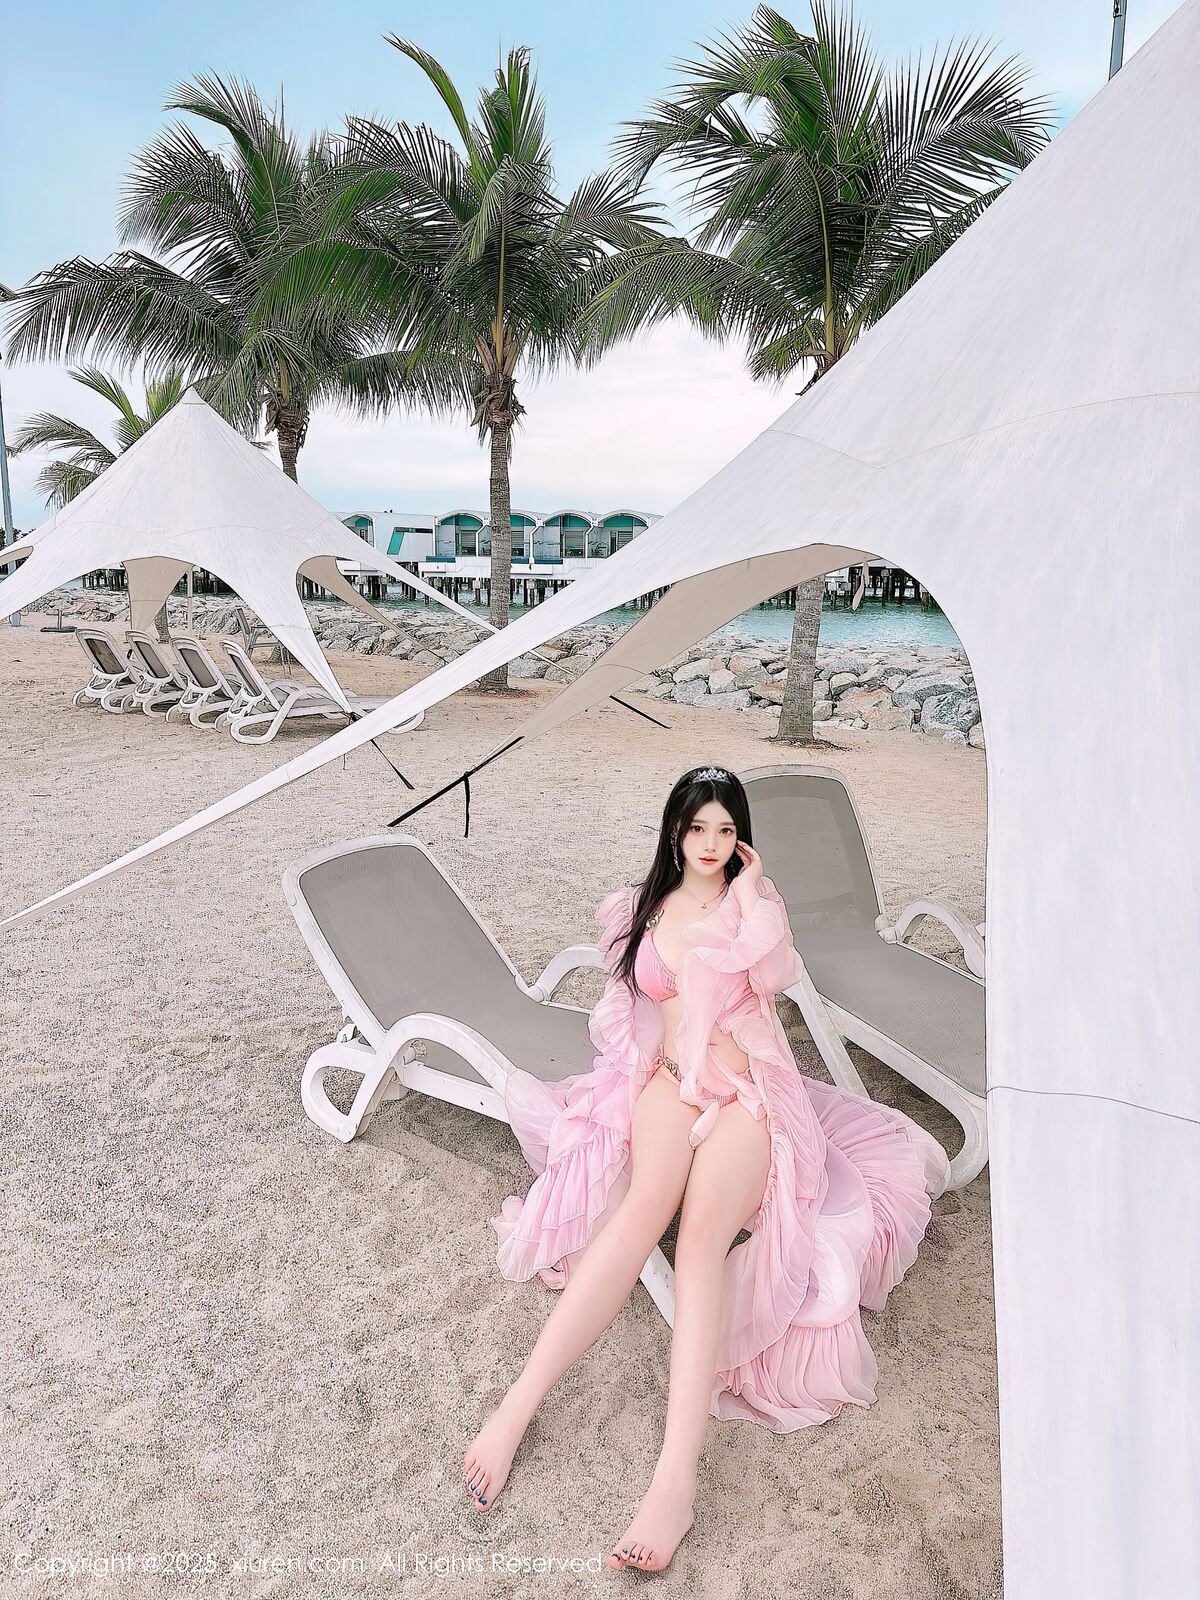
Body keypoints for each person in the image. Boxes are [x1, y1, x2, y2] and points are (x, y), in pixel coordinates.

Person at [463, 766, 951, 1572]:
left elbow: (774, 979)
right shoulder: (643, 907)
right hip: (667, 1085)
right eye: (699, 829)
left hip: (747, 1098)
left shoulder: (754, 908)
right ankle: (517, 1407)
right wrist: (646, 1068)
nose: (712, 844)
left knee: (698, 1245)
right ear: (675, 832)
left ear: (740, 838)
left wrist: (754, 896)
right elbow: (637, 1004)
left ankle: (675, 1482)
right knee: (639, 1212)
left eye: (727, 830)